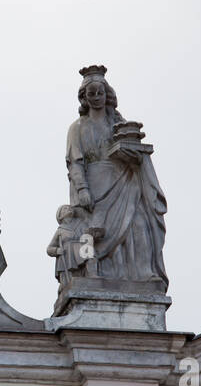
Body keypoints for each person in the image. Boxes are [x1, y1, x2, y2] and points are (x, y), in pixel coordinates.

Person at [63, 66, 168, 287]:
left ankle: (143, 273)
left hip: (124, 181)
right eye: (91, 94)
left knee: (138, 224)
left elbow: (136, 153)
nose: (96, 97)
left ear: (107, 94)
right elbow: (75, 162)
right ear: (85, 98)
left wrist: (134, 155)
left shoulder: (118, 125)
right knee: (92, 233)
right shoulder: (77, 128)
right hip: (94, 186)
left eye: (100, 92)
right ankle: (93, 274)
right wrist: (82, 189)